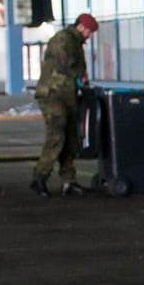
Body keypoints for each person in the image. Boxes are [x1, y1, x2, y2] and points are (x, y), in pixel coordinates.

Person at [31, 12, 97, 198]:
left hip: (67, 95)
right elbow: (65, 64)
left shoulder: (76, 43)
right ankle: (40, 177)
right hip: (53, 95)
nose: (90, 36)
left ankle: (68, 181)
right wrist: (80, 75)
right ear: (81, 27)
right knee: (56, 137)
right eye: (90, 31)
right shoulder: (62, 40)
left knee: (70, 139)